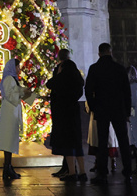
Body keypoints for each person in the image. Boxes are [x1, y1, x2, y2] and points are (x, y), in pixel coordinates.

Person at [84, 43, 133, 184]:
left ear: (99, 53)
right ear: (110, 52)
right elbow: (127, 92)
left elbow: (88, 90)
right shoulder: (119, 68)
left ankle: (102, 173)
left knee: (102, 141)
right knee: (123, 141)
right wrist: (127, 110)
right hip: (118, 110)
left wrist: (93, 106)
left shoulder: (95, 68)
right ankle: (128, 171)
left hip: (102, 109)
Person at [46, 49, 86, 182]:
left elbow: (50, 84)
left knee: (68, 143)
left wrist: (57, 74)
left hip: (64, 111)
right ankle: (82, 172)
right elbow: (80, 88)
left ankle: (72, 172)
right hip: (74, 109)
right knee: (77, 142)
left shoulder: (63, 71)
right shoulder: (75, 71)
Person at [0, 58, 35, 180]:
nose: (19, 69)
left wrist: (25, 91)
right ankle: (7, 168)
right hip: (9, 113)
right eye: (17, 67)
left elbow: (15, 92)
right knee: (8, 140)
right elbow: (10, 95)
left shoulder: (12, 79)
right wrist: (22, 93)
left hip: (11, 112)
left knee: (10, 140)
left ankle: (8, 167)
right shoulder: (8, 79)